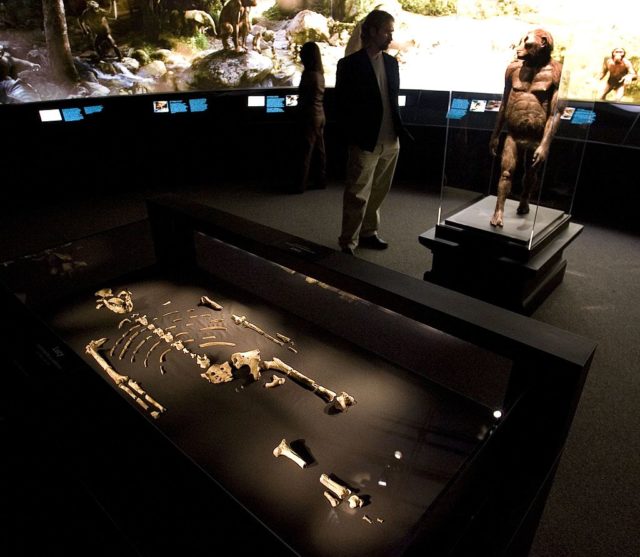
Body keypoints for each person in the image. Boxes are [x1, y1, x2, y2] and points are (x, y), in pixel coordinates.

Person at [335, 9, 411, 255]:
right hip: (365, 140)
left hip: (391, 139)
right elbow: (343, 105)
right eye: (387, 32)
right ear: (373, 31)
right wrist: (353, 137)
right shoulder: (349, 65)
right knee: (357, 193)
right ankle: (348, 241)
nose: (391, 37)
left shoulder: (391, 63)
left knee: (379, 191)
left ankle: (368, 232)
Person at [489, 28, 562, 228]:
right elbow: (504, 103)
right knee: (506, 172)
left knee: (530, 173)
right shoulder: (513, 69)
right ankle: (499, 210)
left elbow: (555, 112)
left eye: (527, 44)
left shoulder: (556, 71)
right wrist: (496, 134)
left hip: (537, 135)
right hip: (513, 133)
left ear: (543, 43)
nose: (520, 48)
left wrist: (545, 145)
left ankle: (524, 199)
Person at [292, 41, 326, 193]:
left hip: (309, 117)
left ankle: (300, 184)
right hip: (320, 115)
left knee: (304, 151)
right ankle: (321, 180)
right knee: (319, 150)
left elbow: (303, 98)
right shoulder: (320, 74)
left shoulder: (309, 75)